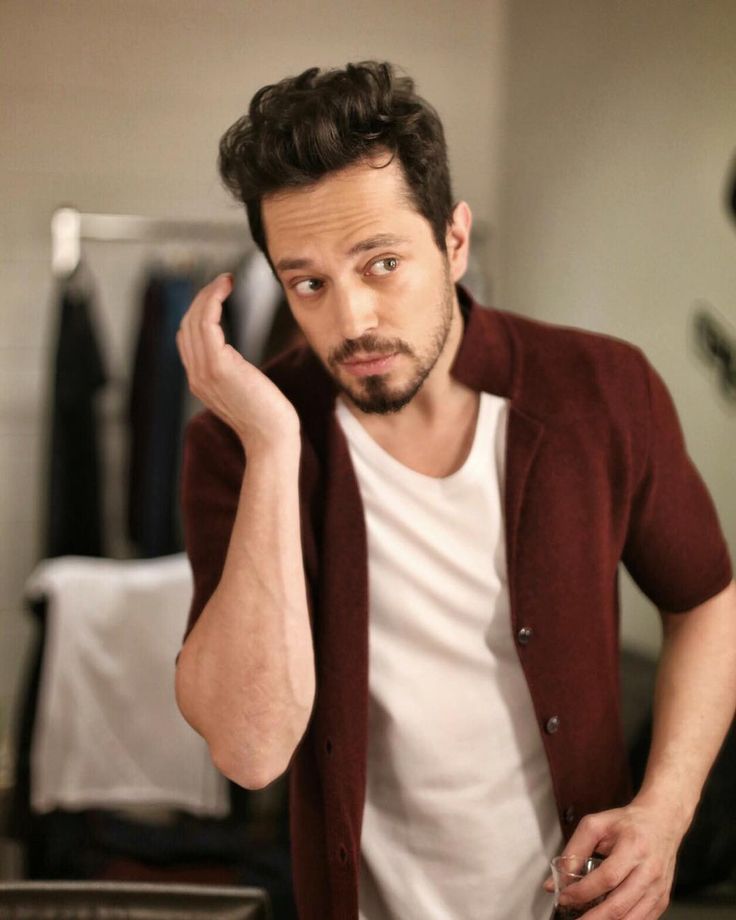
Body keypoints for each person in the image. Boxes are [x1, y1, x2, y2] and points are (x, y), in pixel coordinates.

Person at [173, 61, 736, 920]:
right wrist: (274, 447)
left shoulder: (603, 389)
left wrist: (665, 812)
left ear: (455, 241)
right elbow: (250, 751)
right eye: (309, 283)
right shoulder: (238, 442)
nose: (352, 321)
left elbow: (706, 599)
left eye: (382, 263)